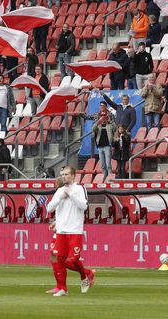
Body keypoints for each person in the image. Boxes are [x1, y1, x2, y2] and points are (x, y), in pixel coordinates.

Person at [45, 166, 95, 296]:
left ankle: (85, 275)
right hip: (61, 231)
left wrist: (71, 194)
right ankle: (62, 288)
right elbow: (49, 208)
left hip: (74, 231)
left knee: (72, 260)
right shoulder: (60, 191)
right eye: (62, 174)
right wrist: (60, 197)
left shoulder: (79, 189)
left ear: (73, 176)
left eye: (66, 174)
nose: (64, 176)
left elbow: (84, 206)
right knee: (57, 259)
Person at [92, 104, 116, 179]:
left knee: (108, 163)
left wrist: (109, 121)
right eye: (102, 118)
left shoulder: (109, 125)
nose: (103, 120)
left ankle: (110, 178)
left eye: (104, 118)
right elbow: (93, 129)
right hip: (100, 146)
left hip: (107, 145)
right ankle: (105, 177)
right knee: (102, 164)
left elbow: (115, 128)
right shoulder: (98, 126)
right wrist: (98, 122)